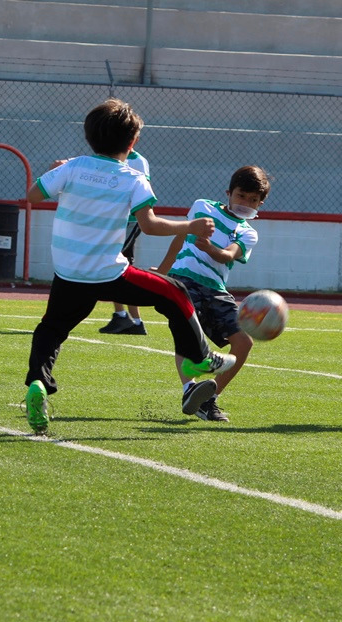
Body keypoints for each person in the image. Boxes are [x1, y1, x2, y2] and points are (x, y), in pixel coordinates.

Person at [23, 98, 236, 434]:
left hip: (68, 272)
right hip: (108, 272)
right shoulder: (133, 178)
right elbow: (150, 226)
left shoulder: (72, 167)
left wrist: (55, 170)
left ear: (89, 136)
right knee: (174, 291)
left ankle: (37, 381)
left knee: (52, 328)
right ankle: (199, 355)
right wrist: (190, 227)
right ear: (133, 142)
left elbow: (33, 196)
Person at [156, 165, 271, 422]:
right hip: (183, 281)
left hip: (216, 290)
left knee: (244, 342)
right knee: (189, 329)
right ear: (228, 192)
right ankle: (189, 389)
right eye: (241, 196)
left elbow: (228, 254)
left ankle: (208, 400)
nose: (246, 203)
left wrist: (209, 248)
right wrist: (162, 273)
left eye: (253, 200)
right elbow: (180, 237)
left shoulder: (248, 233)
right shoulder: (202, 207)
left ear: (261, 203)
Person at [98, 149, 149, 336]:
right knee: (115, 266)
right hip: (115, 221)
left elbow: (143, 193)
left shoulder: (138, 161)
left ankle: (132, 320)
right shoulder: (108, 158)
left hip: (129, 222)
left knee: (117, 265)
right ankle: (125, 317)